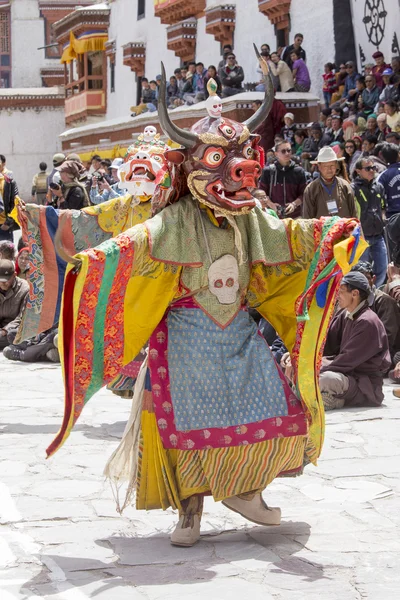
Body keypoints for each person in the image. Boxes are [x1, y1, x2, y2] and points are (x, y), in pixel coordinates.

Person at [45, 65, 365, 547]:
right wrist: (99, 258)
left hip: (236, 330)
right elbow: (136, 243)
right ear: (190, 167)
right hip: (186, 339)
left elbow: (287, 237)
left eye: (240, 161)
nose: (235, 174)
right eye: (218, 160)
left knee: (274, 399)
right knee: (186, 424)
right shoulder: (174, 218)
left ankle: (246, 489)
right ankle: (189, 512)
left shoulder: (249, 215)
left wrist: (326, 231)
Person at [320, 272, 391, 410]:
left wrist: (313, 367)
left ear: (355, 293)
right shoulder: (344, 315)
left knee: (323, 379)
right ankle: (330, 397)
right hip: (346, 374)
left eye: (340, 291)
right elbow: (326, 344)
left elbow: (346, 360)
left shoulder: (367, 321)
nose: (337, 296)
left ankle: (338, 400)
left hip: (363, 384)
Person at [351, 262, 400, 362]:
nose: (361, 283)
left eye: (365, 278)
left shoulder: (384, 302)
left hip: (380, 355)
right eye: (357, 280)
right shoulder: (348, 300)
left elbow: (386, 338)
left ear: (373, 279)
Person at [352, 157, 388, 286]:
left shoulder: (379, 187)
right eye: (368, 168)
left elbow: (383, 206)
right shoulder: (353, 189)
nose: (372, 171)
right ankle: (365, 298)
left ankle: (373, 294)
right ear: (358, 171)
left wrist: (382, 218)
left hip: (378, 236)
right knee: (362, 272)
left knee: (382, 269)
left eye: (373, 168)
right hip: (362, 237)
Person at [302, 146, 357, 218]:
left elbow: (354, 214)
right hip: (321, 229)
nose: (329, 170)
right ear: (319, 166)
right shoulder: (311, 189)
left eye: (332, 166)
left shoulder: (345, 186)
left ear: (336, 165)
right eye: (325, 166)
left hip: (344, 228)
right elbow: (307, 219)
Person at [259, 139, 307, 218]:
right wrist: (271, 205)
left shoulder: (299, 171)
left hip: (295, 217)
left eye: (289, 150)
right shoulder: (268, 171)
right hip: (273, 217)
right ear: (276, 154)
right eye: (283, 151)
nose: (287, 153)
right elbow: (262, 192)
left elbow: (304, 194)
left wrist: (294, 204)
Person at [0, 259, 29, 350]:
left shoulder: (24, 289)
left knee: (12, 335)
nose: (2, 283)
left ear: (14, 275)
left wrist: (4, 330)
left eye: (6, 280)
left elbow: (22, 317)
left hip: (12, 329)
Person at [377, 143, 400, 217]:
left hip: (392, 216)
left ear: (383, 158)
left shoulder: (382, 176)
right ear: (398, 154)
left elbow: (379, 197)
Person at [0, 155, 19, 242]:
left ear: (4, 164)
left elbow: (15, 202)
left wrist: (8, 222)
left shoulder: (10, 181)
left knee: (6, 253)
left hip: (4, 225)